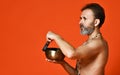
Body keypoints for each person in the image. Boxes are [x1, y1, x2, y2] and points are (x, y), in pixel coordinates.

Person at [46, 3, 108, 75]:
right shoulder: (88, 43)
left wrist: (56, 37)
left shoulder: (98, 43)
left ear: (96, 22)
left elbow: (71, 54)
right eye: (80, 18)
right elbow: (77, 73)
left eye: (84, 18)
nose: (80, 22)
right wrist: (63, 62)